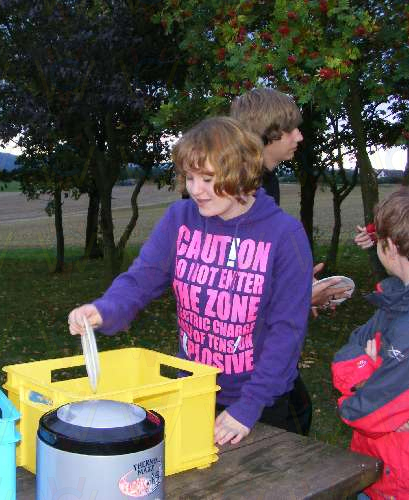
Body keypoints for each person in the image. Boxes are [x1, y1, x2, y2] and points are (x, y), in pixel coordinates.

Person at [68, 117, 313, 445]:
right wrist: (103, 309)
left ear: (241, 172)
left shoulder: (284, 235)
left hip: (263, 405)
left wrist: (248, 407)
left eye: (208, 179)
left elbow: (287, 332)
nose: (195, 189)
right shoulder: (179, 219)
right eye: (190, 177)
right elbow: (142, 279)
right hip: (195, 391)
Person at [332, 186, 409, 499]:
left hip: (403, 480)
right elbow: (347, 353)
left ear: (390, 247)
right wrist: (371, 378)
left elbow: (365, 413)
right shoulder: (398, 297)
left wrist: (352, 399)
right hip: (381, 463)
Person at [230, 87, 351, 313]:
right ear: (266, 132)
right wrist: (300, 297)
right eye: (290, 129)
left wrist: (295, 281)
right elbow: (232, 286)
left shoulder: (266, 182)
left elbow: (257, 261)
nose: (299, 136)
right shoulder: (238, 192)